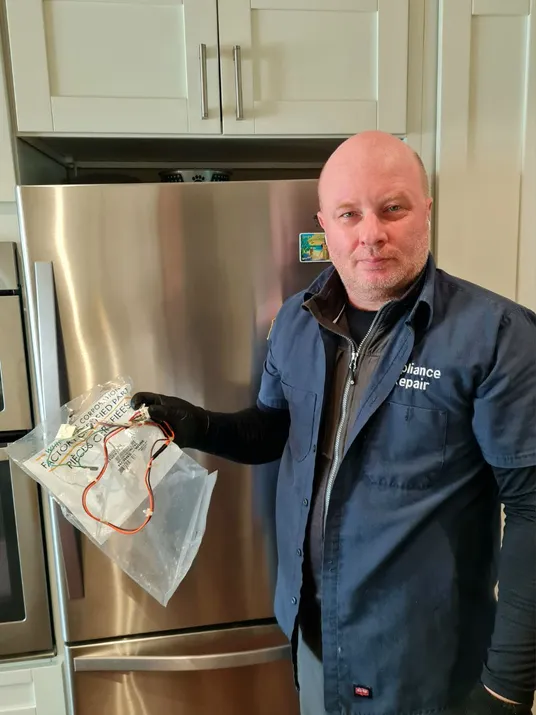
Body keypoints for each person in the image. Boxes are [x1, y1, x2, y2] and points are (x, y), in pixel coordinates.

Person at [132, 131, 536, 715]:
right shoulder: (297, 322)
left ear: (425, 208)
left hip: (428, 666)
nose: (371, 233)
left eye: (392, 208)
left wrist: (508, 685)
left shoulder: (499, 336)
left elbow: (531, 509)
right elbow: (275, 430)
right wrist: (199, 426)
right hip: (314, 642)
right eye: (350, 213)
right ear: (325, 223)